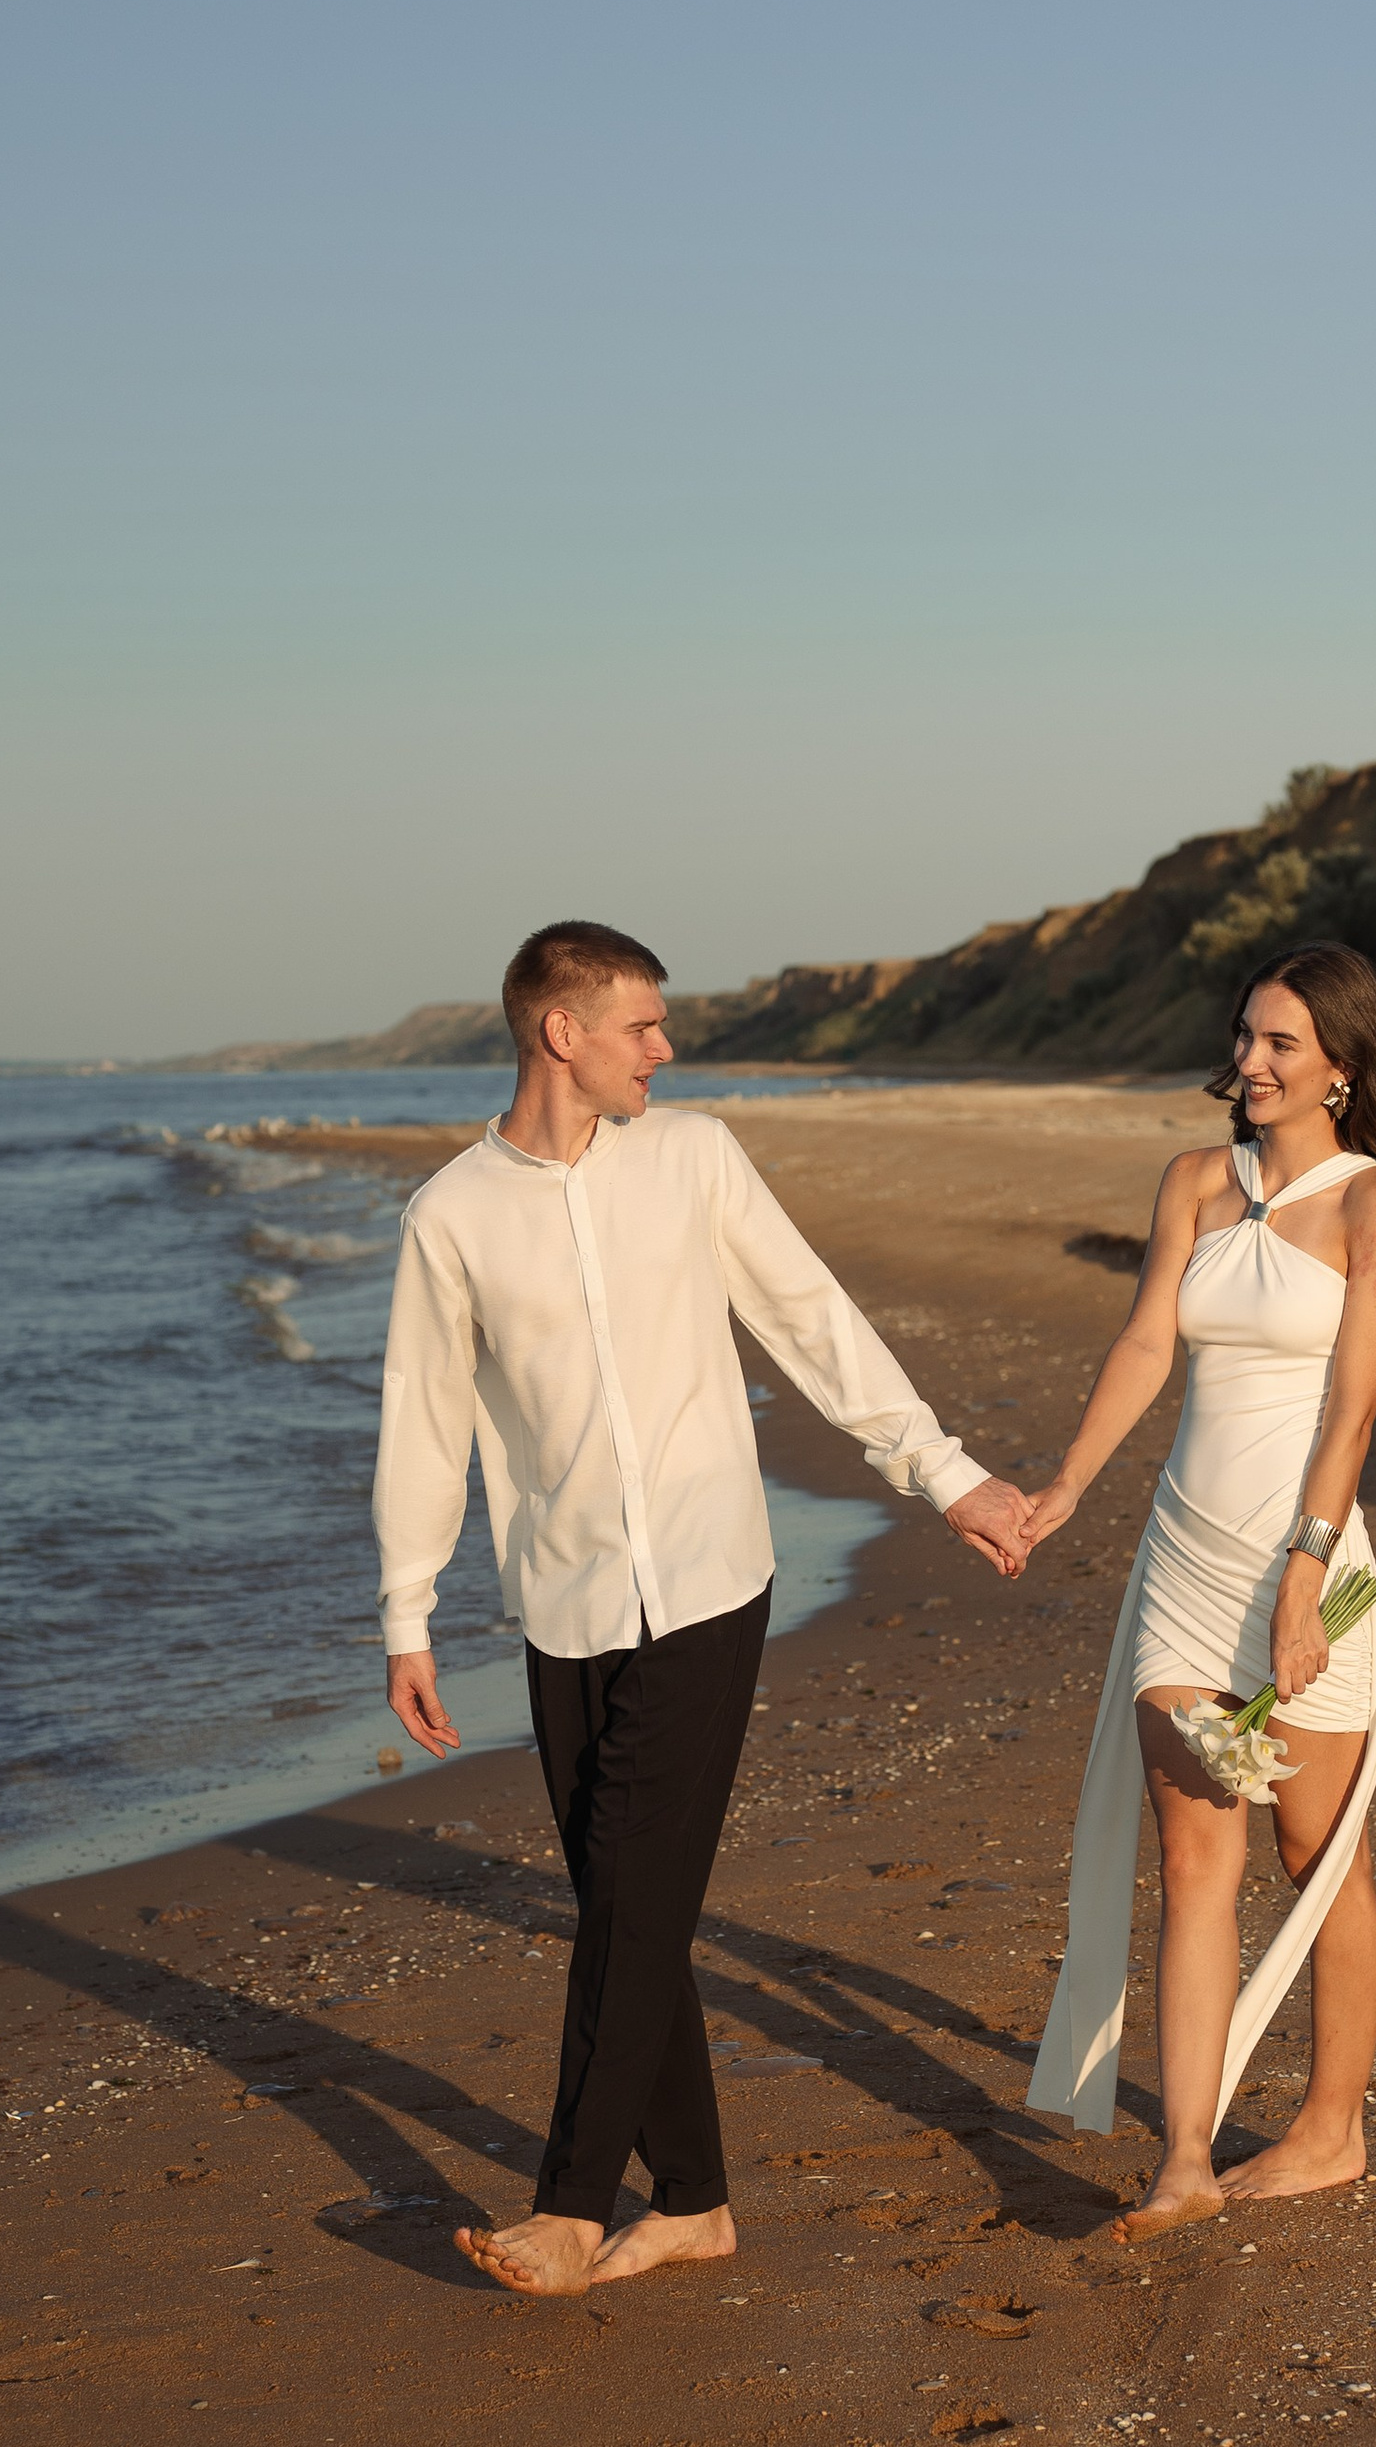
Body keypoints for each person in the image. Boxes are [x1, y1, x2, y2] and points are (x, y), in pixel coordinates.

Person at [374, 918, 1033, 2296]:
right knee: (632, 1898)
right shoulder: (451, 1216)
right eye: (643, 1026)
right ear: (564, 1032)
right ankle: (694, 2201)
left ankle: (569, 2204)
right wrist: (407, 1613)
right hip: (561, 1601)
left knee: (629, 1897)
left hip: (709, 1579)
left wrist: (946, 1476)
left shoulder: (694, 1159)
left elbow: (812, 1320)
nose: (665, 1051)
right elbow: (426, 1427)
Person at [1022, 941, 1376, 2236]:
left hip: (1306, 1573)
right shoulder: (1198, 1183)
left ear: (1343, 1064)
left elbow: (1352, 1413)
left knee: (1318, 1853)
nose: (1251, 1064)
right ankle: (1185, 2163)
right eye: (1247, 1037)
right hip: (1184, 1566)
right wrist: (1062, 1490)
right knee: (1193, 1857)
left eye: (1280, 1045)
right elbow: (1150, 1340)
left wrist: (1306, 1581)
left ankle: (1332, 2130)